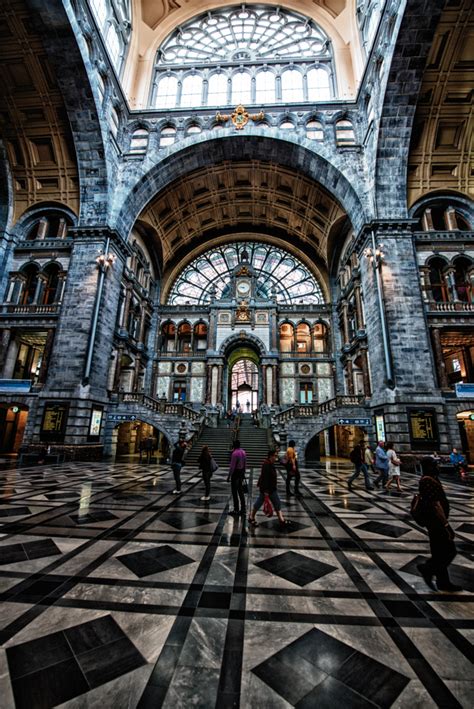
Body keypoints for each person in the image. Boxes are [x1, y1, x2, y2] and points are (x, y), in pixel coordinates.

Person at [416, 456, 461, 592]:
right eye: (435, 464)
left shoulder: (430, 479)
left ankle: (443, 582)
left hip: (433, 522)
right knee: (449, 551)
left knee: (438, 551)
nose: (437, 466)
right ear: (429, 466)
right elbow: (436, 505)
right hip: (436, 522)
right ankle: (427, 569)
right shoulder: (428, 481)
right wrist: (446, 525)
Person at [248, 449, 291, 527]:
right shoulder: (266, 464)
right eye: (275, 456)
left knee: (277, 503)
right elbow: (265, 478)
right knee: (259, 503)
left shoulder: (270, 463)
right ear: (271, 456)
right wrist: (266, 491)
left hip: (271, 489)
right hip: (266, 489)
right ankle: (251, 517)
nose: (276, 457)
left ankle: (281, 520)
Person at [228, 439, 247, 515]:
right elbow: (245, 463)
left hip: (235, 474)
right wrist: (243, 473)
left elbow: (232, 467)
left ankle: (236, 509)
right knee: (241, 491)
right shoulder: (243, 452)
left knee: (234, 492)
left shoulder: (234, 453)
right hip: (241, 473)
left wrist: (229, 476)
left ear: (234, 445)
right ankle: (243, 509)